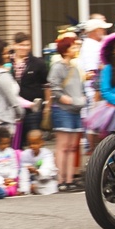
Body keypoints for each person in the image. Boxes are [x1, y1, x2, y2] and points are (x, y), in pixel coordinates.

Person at [47, 37, 86, 192]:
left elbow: (80, 87)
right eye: (72, 47)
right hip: (63, 110)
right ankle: (60, 180)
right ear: (65, 50)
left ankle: (69, 180)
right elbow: (54, 88)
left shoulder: (75, 68)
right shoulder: (57, 67)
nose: (75, 49)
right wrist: (67, 100)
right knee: (62, 146)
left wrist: (81, 99)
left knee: (72, 147)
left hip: (76, 109)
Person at [11, 31, 48, 137]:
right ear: (14, 45)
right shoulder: (7, 62)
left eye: (27, 45)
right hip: (12, 108)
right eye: (21, 45)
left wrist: (47, 106)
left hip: (33, 108)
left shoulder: (38, 63)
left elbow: (46, 85)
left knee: (34, 137)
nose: (24, 48)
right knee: (16, 140)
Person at [20, 129, 57, 195]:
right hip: (34, 181)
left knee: (50, 188)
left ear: (41, 142)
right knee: (26, 187)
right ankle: (31, 188)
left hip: (47, 181)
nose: (32, 146)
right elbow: (24, 173)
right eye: (30, 143)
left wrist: (36, 171)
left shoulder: (47, 153)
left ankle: (34, 188)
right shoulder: (25, 154)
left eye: (35, 143)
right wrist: (24, 188)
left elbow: (47, 169)